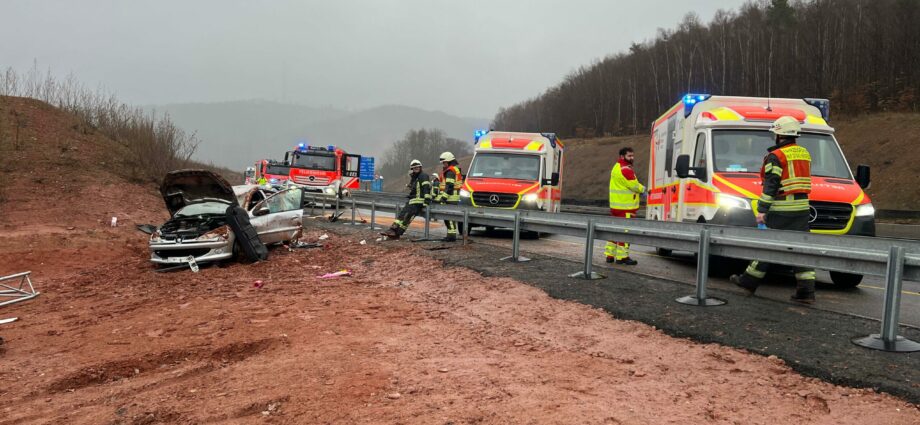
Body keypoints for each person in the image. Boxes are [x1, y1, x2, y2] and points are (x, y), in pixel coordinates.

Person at [731, 116, 816, 304]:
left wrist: (761, 210)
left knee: (767, 245)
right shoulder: (804, 153)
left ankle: (748, 282)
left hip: (782, 209)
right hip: (802, 209)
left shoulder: (776, 156)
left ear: (779, 134)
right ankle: (806, 292)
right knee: (800, 249)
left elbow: (771, 185)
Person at [605, 147, 645, 265]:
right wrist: (644, 190)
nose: (632, 158)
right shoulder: (626, 170)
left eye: (632, 155)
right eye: (629, 156)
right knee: (625, 232)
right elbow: (634, 186)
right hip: (625, 207)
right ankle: (622, 257)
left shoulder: (616, 167)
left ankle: (610, 255)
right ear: (622, 156)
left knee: (614, 231)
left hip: (615, 206)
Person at [380, 159, 431, 240]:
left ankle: (392, 230)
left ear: (420, 167)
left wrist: (426, 200)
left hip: (418, 201)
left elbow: (426, 188)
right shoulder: (416, 177)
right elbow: (415, 189)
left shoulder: (423, 176)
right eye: (414, 168)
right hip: (414, 201)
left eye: (417, 167)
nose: (416, 169)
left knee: (403, 215)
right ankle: (397, 233)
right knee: (406, 218)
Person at [434, 151, 463, 242]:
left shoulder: (450, 171)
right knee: (449, 217)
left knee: (448, 217)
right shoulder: (453, 169)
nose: (443, 164)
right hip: (453, 197)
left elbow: (449, 187)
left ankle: (451, 236)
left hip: (451, 198)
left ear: (449, 161)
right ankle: (451, 235)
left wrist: (443, 198)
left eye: (444, 162)